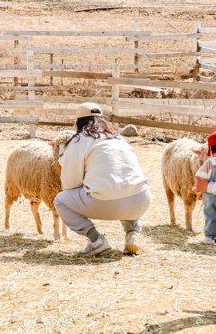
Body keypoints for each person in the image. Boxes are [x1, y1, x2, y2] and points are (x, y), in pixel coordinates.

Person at [54, 103, 151, 256]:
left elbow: (70, 184)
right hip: (141, 200)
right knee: (125, 185)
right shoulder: (119, 138)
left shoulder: (80, 139)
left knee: (60, 200)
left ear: (78, 122)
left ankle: (96, 240)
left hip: (106, 203)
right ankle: (132, 234)